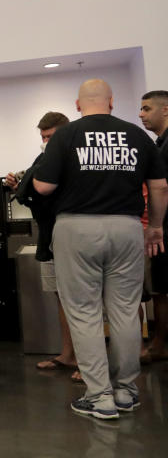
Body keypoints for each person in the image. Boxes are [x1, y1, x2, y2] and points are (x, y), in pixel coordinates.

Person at [34, 79, 167, 419]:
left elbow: (44, 186)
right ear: (111, 101)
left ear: (78, 105)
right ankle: (126, 390)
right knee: (125, 310)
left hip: (77, 227)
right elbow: (160, 185)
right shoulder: (137, 136)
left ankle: (99, 396)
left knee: (84, 311)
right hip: (126, 227)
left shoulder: (65, 135)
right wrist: (155, 227)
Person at [6, 112, 78, 376]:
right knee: (61, 296)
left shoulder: (73, 158)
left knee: (80, 301)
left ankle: (88, 361)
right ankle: (69, 354)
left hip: (70, 234)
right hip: (49, 235)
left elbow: (43, 189)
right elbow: (31, 191)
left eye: (50, 136)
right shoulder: (45, 158)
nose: (46, 141)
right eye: (43, 137)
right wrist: (19, 187)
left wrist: (28, 187)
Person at [139, 90, 168, 363]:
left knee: (162, 290)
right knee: (160, 288)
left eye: (147, 109)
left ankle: (160, 344)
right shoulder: (159, 144)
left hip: (163, 227)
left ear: (165, 110)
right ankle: (159, 343)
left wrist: (156, 225)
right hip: (159, 227)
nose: (141, 114)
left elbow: (161, 187)